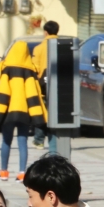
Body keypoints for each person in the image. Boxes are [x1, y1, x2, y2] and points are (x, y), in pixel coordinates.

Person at [0, 40, 45, 182]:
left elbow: (3, 92)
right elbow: (33, 94)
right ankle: (22, 172)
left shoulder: (6, 69)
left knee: (6, 141)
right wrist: (38, 116)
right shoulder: (30, 70)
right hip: (24, 112)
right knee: (23, 142)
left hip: (9, 112)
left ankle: (4, 171)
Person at [31, 20, 60, 152]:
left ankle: (39, 140)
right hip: (60, 84)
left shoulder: (39, 48)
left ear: (45, 32)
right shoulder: (62, 45)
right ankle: (56, 140)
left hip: (43, 84)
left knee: (42, 111)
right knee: (56, 112)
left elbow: (35, 68)